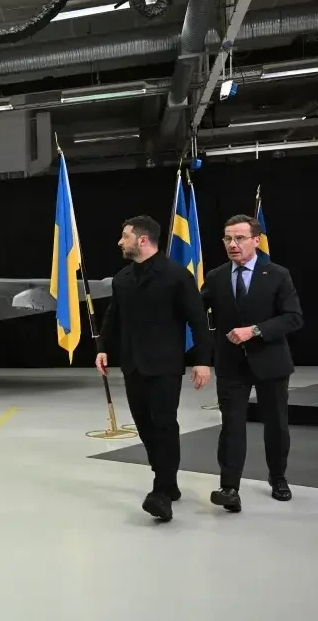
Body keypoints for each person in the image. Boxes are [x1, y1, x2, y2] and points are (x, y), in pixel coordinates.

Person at [95, 215, 212, 522]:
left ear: (143, 240)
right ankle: (167, 479)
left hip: (165, 365)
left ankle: (161, 492)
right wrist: (102, 348)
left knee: (164, 424)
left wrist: (202, 360)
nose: (120, 242)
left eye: (125, 236)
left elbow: (198, 320)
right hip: (133, 364)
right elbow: (112, 316)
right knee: (144, 426)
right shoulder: (122, 278)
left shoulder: (177, 276)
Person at [199, 214, 304, 512]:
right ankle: (229, 487)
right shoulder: (217, 276)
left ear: (256, 240)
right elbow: (195, 310)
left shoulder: (278, 274)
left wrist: (255, 330)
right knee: (232, 425)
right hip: (231, 364)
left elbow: (293, 318)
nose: (232, 244)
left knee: (276, 424)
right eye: (227, 238)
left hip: (270, 361)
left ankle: (278, 477)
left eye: (239, 238)